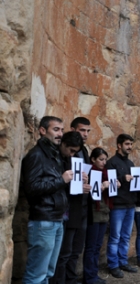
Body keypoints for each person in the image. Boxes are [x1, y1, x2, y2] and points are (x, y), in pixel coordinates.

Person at [20, 116, 73, 284]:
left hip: (56, 219)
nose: (60, 134)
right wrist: (61, 180)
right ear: (42, 131)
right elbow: (32, 188)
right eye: (56, 129)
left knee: (48, 272)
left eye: (62, 130)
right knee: (36, 275)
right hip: (43, 221)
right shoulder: (36, 155)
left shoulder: (53, 155)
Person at [52, 119, 92, 284]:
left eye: (88, 131)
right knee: (64, 251)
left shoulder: (85, 151)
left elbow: (81, 174)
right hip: (68, 207)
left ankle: (71, 278)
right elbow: (62, 180)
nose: (85, 134)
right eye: (82, 130)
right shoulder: (61, 153)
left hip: (82, 206)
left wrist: (86, 180)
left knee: (76, 249)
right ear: (72, 129)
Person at [105, 134, 140, 278]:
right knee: (115, 237)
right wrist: (121, 178)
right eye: (127, 144)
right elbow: (109, 185)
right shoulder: (111, 163)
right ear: (119, 145)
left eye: (131, 144)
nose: (130, 147)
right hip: (118, 205)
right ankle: (113, 265)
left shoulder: (131, 164)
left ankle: (123, 262)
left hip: (130, 205)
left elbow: (133, 185)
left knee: (126, 236)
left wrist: (139, 180)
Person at [83, 147, 118, 284]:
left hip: (104, 212)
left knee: (97, 246)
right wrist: (100, 186)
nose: (104, 162)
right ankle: (89, 277)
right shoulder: (89, 173)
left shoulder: (107, 174)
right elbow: (88, 193)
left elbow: (111, 191)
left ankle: (93, 274)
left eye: (105, 159)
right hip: (93, 212)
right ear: (93, 159)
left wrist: (115, 184)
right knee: (91, 246)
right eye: (101, 159)